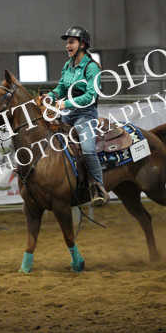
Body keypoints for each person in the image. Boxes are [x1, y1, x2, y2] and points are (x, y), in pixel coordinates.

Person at [45, 25, 109, 206]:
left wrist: (65, 103)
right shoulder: (68, 65)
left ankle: (98, 187)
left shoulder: (91, 67)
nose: (67, 46)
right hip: (67, 114)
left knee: (88, 149)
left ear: (82, 44)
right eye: (67, 43)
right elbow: (61, 87)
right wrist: (51, 96)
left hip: (85, 115)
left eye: (71, 42)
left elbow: (91, 96)